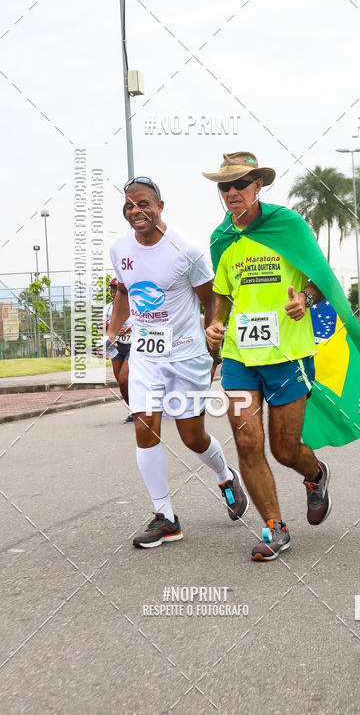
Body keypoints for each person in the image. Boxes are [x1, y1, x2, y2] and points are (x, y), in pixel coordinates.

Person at [203, 153, 331, 562]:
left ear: (258, 185)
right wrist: (215, 324)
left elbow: (321, 279)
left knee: (284, 448)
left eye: (240, 183)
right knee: (246, 440)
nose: (231, 192)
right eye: (225, 186)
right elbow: (222, 294)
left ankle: (315, 474)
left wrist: (305, 299)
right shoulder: (222, 238)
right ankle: (274, 526)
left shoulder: (287, 225)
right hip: (240, 357)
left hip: (288, 355)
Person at [108, 176, 247, 549]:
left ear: (159, 206)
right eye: (129, 205)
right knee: (145, 430)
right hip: (146, 355)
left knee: (191, 437)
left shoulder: (186, 249)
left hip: (186, 354)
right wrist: (113, 329)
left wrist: (213, 345)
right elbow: (123, 291)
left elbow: (211, 300)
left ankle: (225, 476)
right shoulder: (119, 249)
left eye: (143, 204)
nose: (136, 211)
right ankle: (165, 516)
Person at [103, 277, 134, 423]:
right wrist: (106, 327)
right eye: (112, 288)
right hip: (116, 345)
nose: (113, 291)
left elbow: (140, 323)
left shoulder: (133, 305)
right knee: (121, 382)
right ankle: (133, 408)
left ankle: (138, 408)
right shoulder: (108, 308)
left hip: (133, 345)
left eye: (116, 288)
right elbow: (105, 329)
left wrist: (129, 328)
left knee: (124, 378)